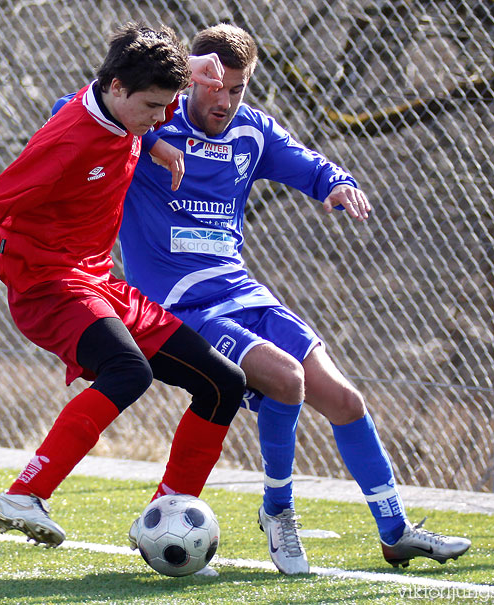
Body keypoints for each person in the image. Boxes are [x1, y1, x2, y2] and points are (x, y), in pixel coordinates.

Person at [114, 23, 473, 573]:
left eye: (237, 88)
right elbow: (79, 103)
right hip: (181, 305)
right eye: (214, 85)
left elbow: (306, 163)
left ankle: (395, 531)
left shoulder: (252, 132)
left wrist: (337, 182)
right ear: (191, 78)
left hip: (241, 290)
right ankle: (278, 511)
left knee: (344, 399)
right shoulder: (148, 121)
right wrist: (163, 112)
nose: (225, 100)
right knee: (285, 379)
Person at [0, 23, 247, 549]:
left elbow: (145, 111)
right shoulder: (67, 138)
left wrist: (156, 137)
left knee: (224, 383)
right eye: (153, 106)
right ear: (117, 88)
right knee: (127, 371)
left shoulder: (129, 107)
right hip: (47, 282)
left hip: (97, 279)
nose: (161, 117)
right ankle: (26, 494)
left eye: (165, 105)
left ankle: (165, 517)